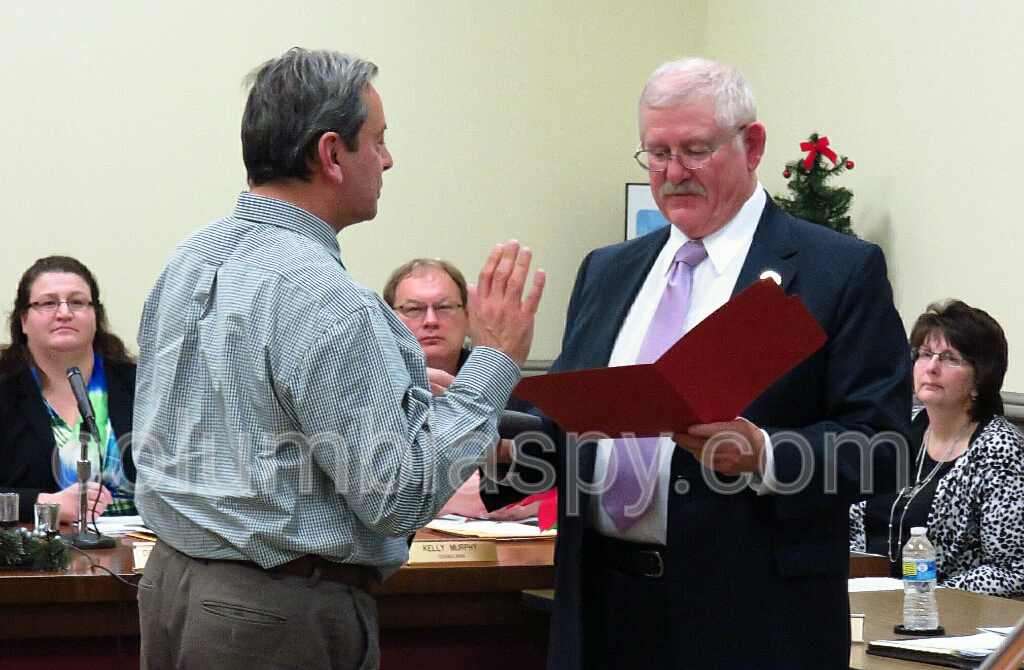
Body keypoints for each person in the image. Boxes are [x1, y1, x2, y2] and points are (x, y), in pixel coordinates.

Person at [132, 48, 544, 670]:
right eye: (377, 140)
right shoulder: (323, 296)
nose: (387, 158)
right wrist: (493, 364)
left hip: (172, 587)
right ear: (331, 154)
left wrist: (401, 400)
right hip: (273, 615)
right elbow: (397, 498)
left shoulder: (190, 258)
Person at [514, 57, 912, 669]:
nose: (674, 173)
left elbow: (885, 446)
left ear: (752, 146)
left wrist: (765, 455)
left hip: (750, 619)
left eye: (695, 150)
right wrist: (485, 419)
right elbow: (572, 429)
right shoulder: (608, 270)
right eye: (657, 153)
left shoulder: (834, 271)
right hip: (601, 607)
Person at [851, 300, 1024, 596]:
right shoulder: (892, 429)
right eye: (924, 354)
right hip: (862, 598)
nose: (931, 367)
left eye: (949, 358)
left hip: (944, 612)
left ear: (980, 378)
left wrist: (927, 595)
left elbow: (1013, 571)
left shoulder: (1000, 449)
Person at [383, 258, 538, 520]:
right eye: (414, 309)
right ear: (389, 322)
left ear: (468, 319)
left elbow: (553, 465)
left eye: (444, 308)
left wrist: (503, 451)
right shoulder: (371, 386)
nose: (431, 321)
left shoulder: (504, 383)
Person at [0, 255, 135, 524]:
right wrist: (44, 503)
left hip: (140, 544)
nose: (64, 313)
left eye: (77, 302)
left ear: (96, 315)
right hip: (36, 546)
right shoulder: (5, 389)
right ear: (24, 320)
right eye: (48, 303)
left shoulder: (138, 385)